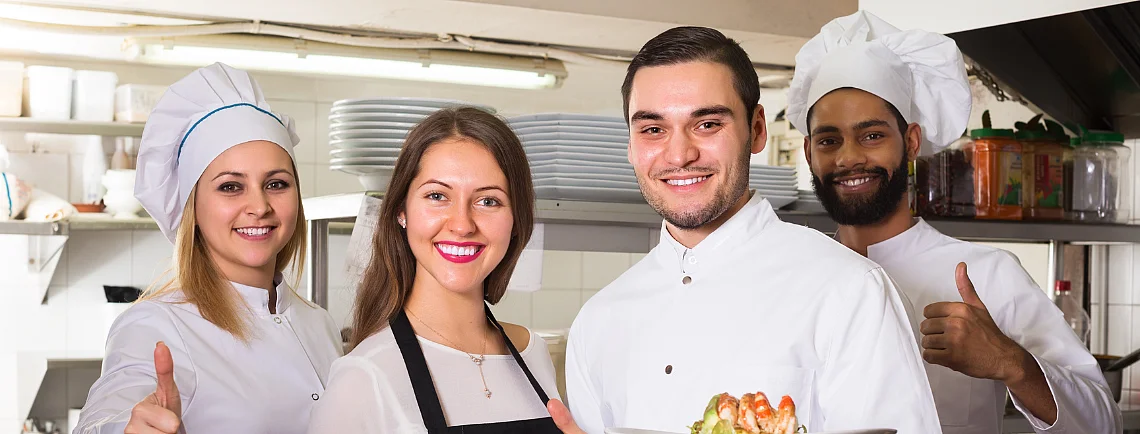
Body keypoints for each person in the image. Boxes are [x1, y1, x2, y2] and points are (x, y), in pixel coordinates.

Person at [550, 26, 941, 434]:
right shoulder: (598, 322)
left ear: (756, 130)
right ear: (630, 144)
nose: (680, 154)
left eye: (707, 124)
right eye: (653, 129)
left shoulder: (850, 291)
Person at [787, 10, 1123, 434]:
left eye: (872, 135)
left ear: (910, 141)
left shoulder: (987, 274)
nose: (849, 157)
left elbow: (1102, 421)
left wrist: (1009, 362)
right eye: (829, 140)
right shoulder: (793, 274)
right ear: (808, 151)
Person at [74, 62, 342, 434]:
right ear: (193, 208)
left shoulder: (319, 323)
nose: (259, 206)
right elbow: (106, 414)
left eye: (277, 183)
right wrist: (125, 428)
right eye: (230, 187)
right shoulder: (155, 326)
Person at [307, 107, 561, 433]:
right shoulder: (363, 377)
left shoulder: (533, 353)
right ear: (402, 211)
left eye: (488, 201)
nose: (462, 224)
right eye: (437, 196)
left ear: (515, 221)